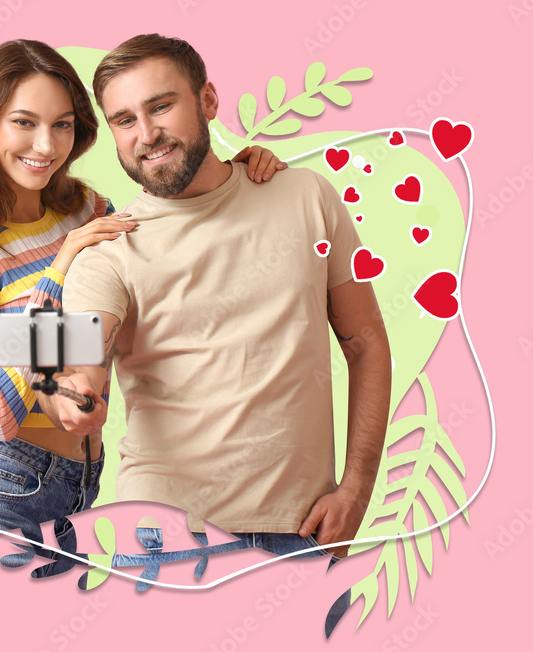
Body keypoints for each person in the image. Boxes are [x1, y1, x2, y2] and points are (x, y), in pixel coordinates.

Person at [0, 39, 285, 542]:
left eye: (61, 124)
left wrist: (233, 176)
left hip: (79, 484)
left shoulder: (81, 206)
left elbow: (159, 251)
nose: (46, 146)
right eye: (24, 122)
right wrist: (59, 269)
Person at [52, 34, 392, 563]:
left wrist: (358, 489)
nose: (147, 134)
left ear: (208, 101)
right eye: (124, 120)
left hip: (304, 531)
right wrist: (72, 391)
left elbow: (366, 341)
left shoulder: (305, 196)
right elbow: (74, 368)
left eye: (161, 106)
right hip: (161, 544)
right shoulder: (107, 250)